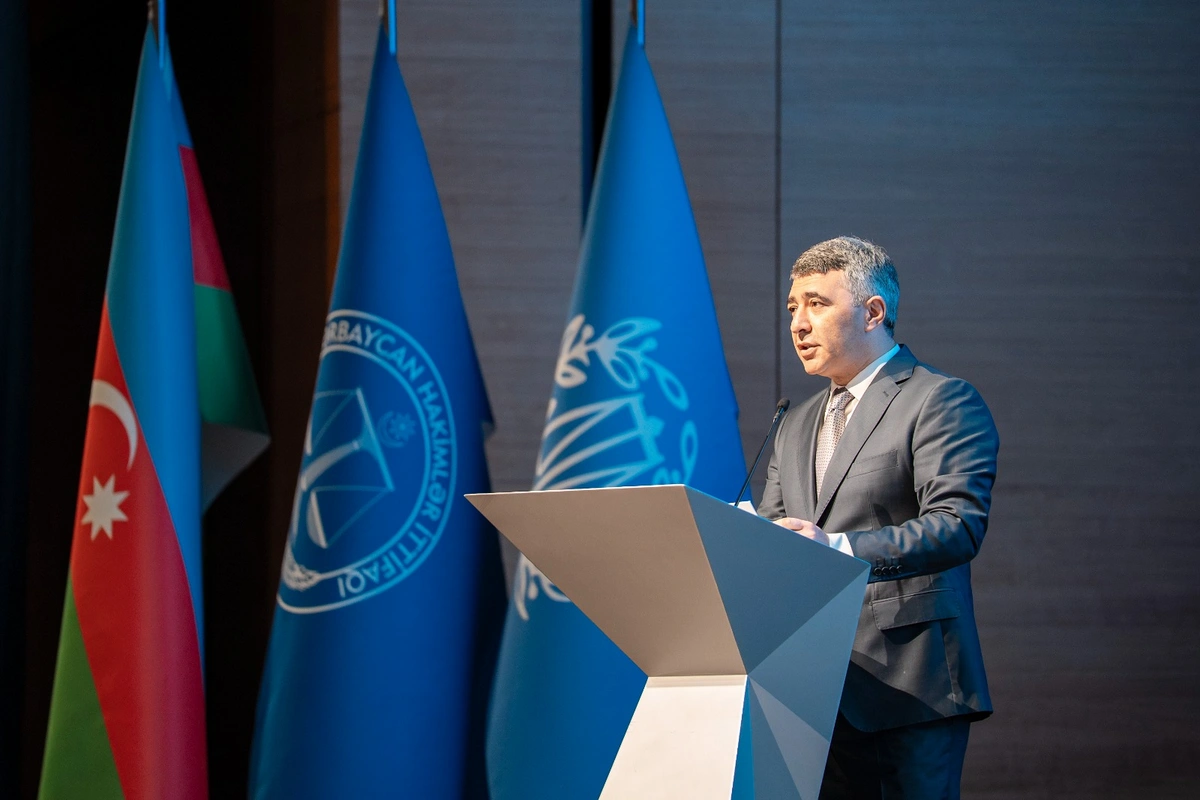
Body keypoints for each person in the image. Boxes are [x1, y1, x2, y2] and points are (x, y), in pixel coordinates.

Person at [759, 236, 999, 800]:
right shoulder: (793, 423)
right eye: (792, 308)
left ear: (873, 312)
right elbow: (772, 534)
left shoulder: (939, 400)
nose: (798, 323)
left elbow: (958, 525)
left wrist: (837, 550)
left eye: (817, 304)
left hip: (909, 684)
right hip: (808, 691)